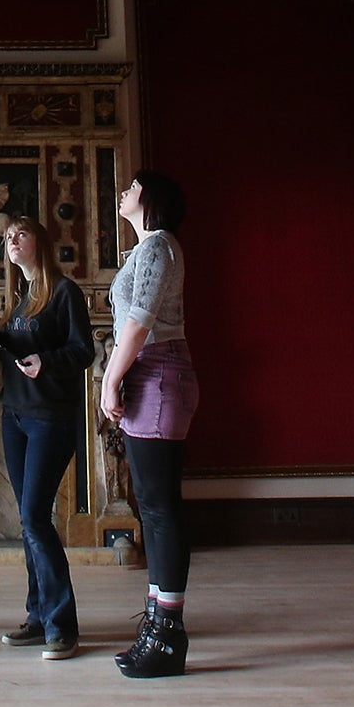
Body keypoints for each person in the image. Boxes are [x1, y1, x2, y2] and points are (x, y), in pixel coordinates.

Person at [0, 215, 94, 662]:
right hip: (15, 415)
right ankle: (38, 616)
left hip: (50, 419)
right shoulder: (20, 299)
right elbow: (18, 345)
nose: (12, 241)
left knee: (36, 519)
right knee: (28, 522)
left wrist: (47, 361)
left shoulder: (64, 292)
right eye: (6, 237)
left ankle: (62, 625)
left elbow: (84, 350)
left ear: (40, 241)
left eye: (20, 234)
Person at [101, 170, 198, 678]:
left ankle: (168, 634)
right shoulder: (146, 249)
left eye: (132, 185)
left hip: (158, 374)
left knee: (160, 508)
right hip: (149, 375)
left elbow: (139, 321)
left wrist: (109, 381)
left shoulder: (158, 246)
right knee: (154, 505)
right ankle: (157, 623)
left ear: (151, 197)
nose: (123, 191)